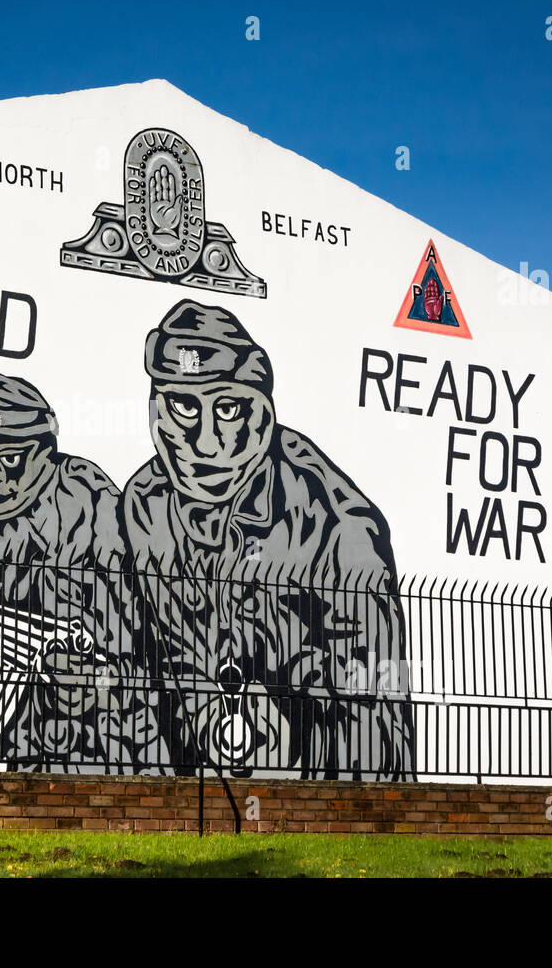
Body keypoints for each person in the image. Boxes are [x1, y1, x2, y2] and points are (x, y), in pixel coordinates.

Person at [121, 299, 415, 780]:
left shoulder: (341, 529)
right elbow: (163, 658)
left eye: (229, 408)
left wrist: (293, 735)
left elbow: (379, 720)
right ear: (155, 407)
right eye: (183, 407)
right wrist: (206, 718)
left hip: (316, 801)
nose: (207, 443)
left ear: (262, 413)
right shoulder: (145, 504)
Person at [0, 372, 165, 774]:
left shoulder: (92, 506)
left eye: (9, 459)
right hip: (32, 771)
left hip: (121, 764)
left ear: (45, 452)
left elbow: (160, 655)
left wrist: (101, 684)